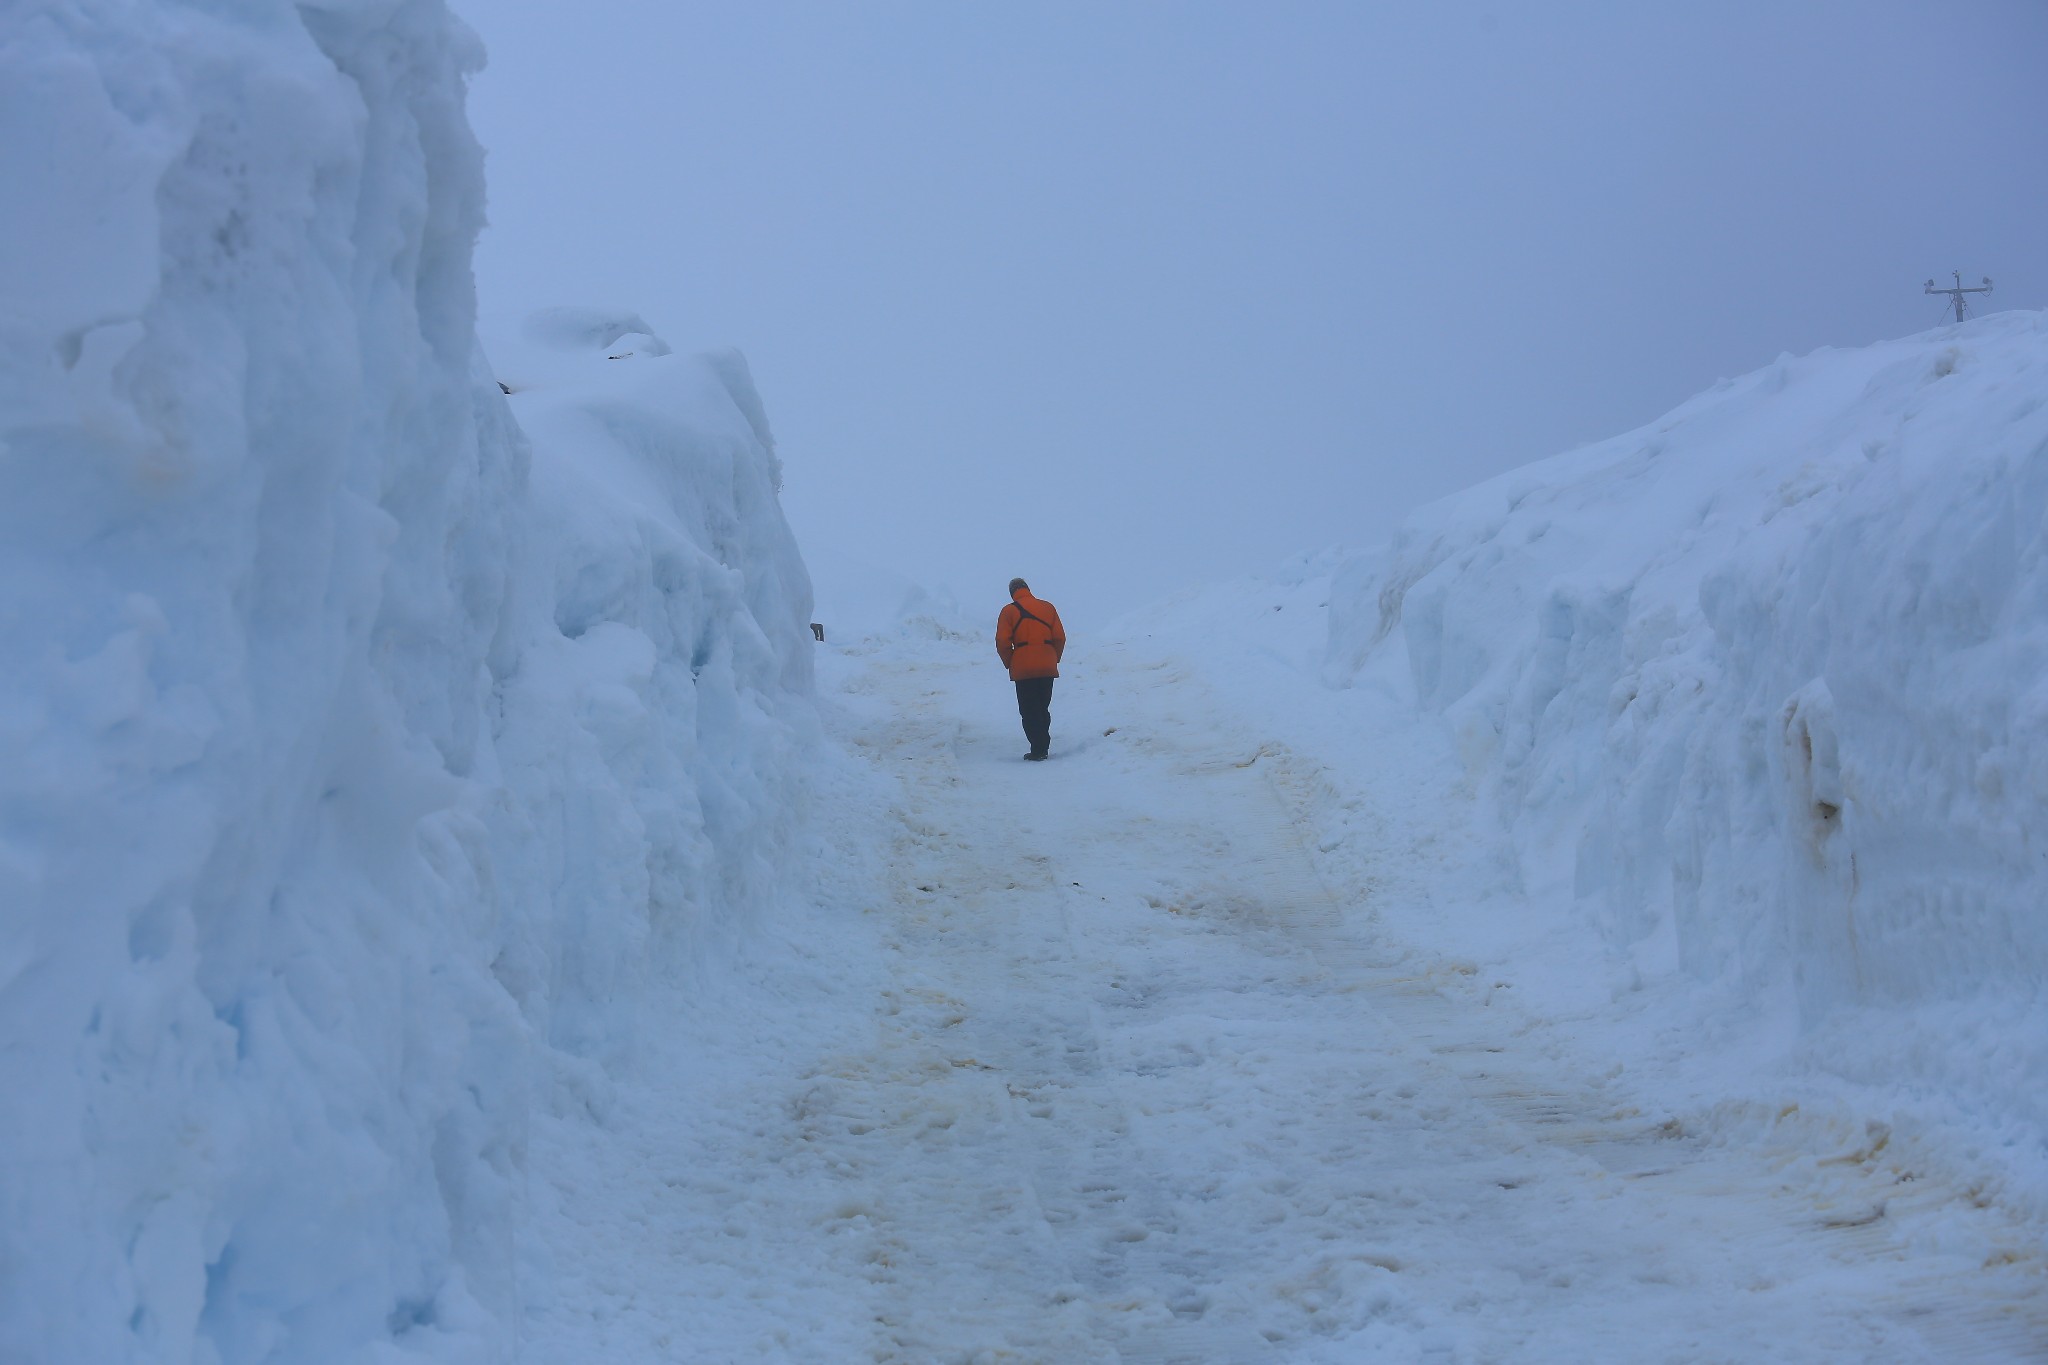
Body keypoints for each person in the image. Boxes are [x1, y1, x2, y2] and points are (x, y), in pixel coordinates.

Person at [996, 577, 1065, 761]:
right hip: (1047, 665)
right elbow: (1059, 637)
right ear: (1027, 589)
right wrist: (1053, 658)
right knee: (1043, 707)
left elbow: (1002, 642)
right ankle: (1043, 744)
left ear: (1012, 593)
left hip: (1023, 667)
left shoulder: (1008, 611)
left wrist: (1011, 661)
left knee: (1029, 709)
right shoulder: (1048, 607)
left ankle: (1038, 749)